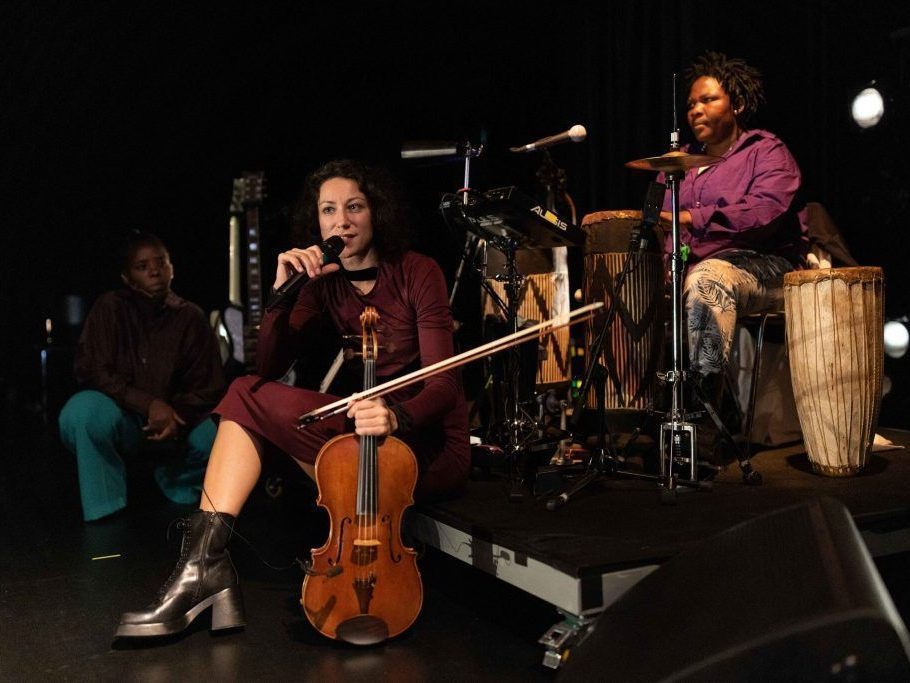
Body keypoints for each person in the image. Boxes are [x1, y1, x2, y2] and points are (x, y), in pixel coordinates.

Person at [114, 159, 471, 638]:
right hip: (364, 437)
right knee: (245, 392)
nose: (341, 222)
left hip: (424, 444)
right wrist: (282, 293)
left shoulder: (417, 271)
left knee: (244, 397)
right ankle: (202, 565)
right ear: (317, 221)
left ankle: (204, 574)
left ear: (376, 212)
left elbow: (444, 386)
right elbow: (267, 368)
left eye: (354, 207)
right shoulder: (322, 282)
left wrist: (396, 415)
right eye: (329, 210)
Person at [656, 52, 808, 452]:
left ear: (736, 104)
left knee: (708, 280)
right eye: (691, 103)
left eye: (708, 100)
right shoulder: (678, 165)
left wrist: (692, 217)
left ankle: (705, 419)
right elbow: (663, 228)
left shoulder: (766, 151)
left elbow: (766, 211)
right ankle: (637, 419)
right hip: (696, 269)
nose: (696, 110)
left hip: (768, 266)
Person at [58, 231, 226, 522]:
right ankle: (105, 503)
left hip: (177, 425)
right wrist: (149, 405)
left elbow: (209, 386)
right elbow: (94, 370)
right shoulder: (110, 308)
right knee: (82, 411)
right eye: (142, 266)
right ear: (127, 277)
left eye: (161, 262)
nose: (154, 271)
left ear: (172, 268)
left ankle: (176, 479)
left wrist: (174, 416)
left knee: (222, 432)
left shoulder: (191, 317)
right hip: (124, 420)